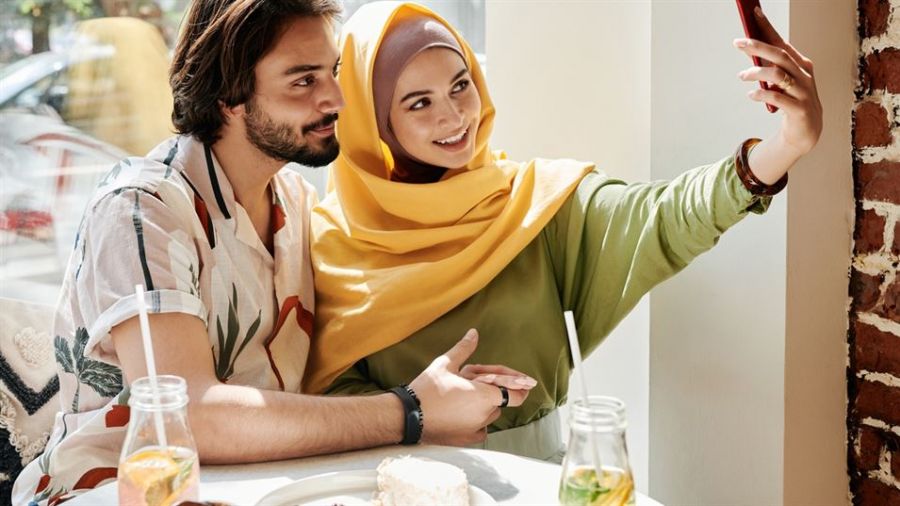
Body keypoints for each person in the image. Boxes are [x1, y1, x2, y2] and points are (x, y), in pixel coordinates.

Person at [13, 1, 535, 504]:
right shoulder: (142, 210)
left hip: (256, 482)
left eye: (331, 71)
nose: (336, 99)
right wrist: (412, 411)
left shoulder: (295, 201)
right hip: (113, 490)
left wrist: (447, 389)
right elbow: (188, 417)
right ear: (229, 95)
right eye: (304, 80)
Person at [307, 1, 823, 462]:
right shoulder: (328, 244)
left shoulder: (535, 205)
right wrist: (417, 409)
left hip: (540, 484)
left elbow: (667, 214)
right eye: (418, 103)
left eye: (460, 85)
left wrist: (786, 145)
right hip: (392, 489)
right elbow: (323, 394)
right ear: (373, 123)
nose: (454, 115)